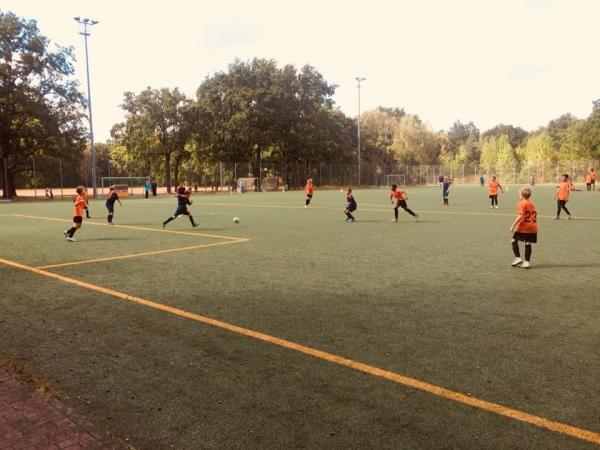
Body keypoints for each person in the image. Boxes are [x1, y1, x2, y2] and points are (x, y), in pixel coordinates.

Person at [509, 187, 538, 269]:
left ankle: (518, 258)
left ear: (521, 195)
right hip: (533, 226)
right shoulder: (532, 203)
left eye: (519, 193)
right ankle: (527, 262)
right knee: (528, 242)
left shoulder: (521, 203)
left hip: (524, 226)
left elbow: (521, 215)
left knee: (514, 240)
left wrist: (513, 225)